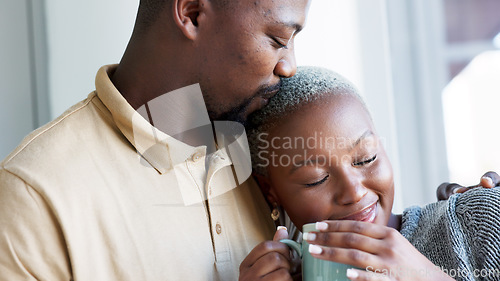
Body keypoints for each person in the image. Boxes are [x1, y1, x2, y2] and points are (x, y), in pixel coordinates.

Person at [0, 0, 311, 280]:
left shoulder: (273, 147)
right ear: (192, 14)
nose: (289, 66)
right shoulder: (34, 193)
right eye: (278, 40)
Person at [241, 66, 500, 280]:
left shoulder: (474, 220)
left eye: (366, 158)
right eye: (316, 179)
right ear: (270, 192)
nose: (354, 192)